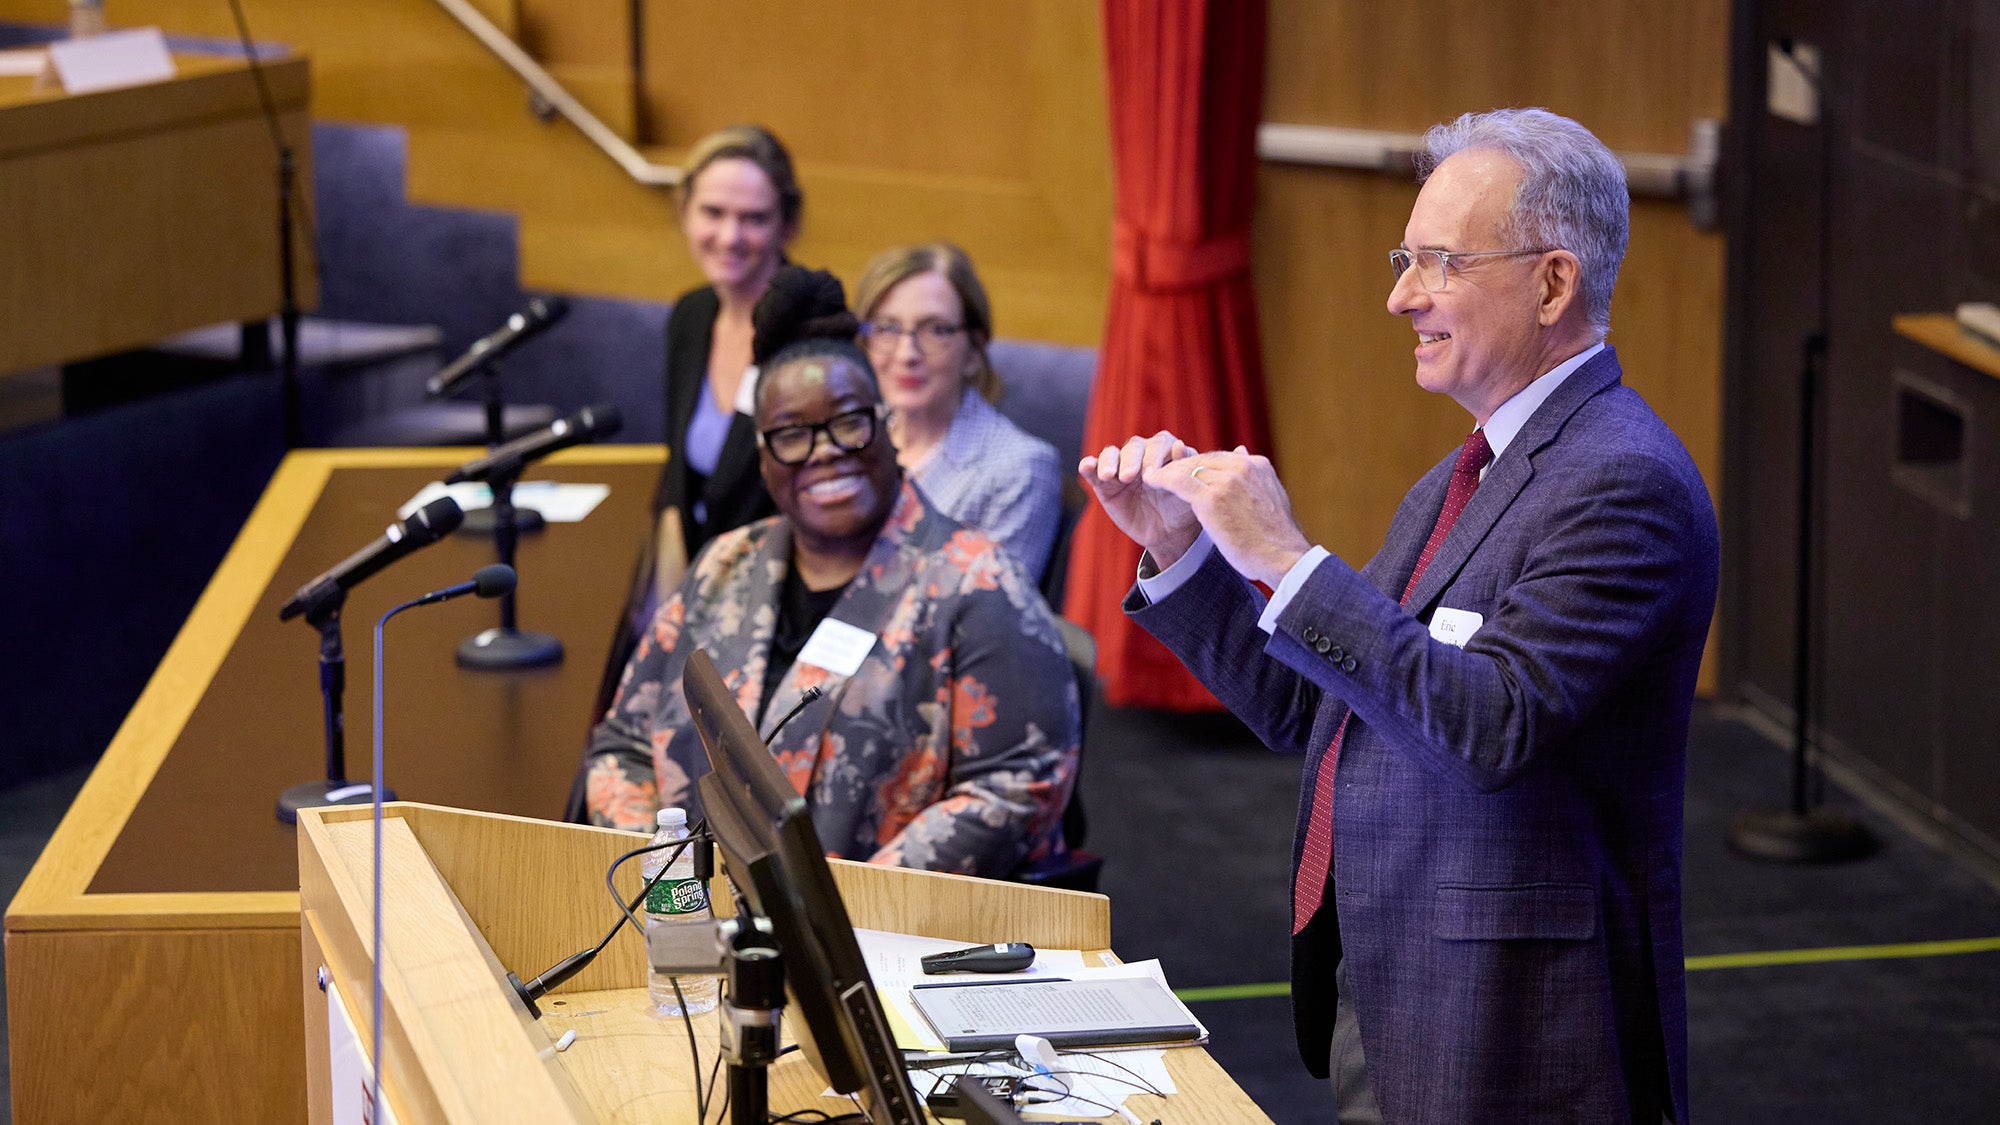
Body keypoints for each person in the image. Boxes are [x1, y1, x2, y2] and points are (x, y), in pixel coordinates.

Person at [1084, 109, 1716, 1123]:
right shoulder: (1460, 474)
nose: (1399, 297)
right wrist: (1179, 549)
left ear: (1552, 282)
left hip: (1514, 1026)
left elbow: (1491, 725)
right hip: (1390, 978)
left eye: (1438, 264)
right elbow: (1315, 705)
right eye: (1401, 259)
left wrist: (1285, 557)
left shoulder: (1622, 483)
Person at [584, 316, 1080, 878]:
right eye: (792, 434)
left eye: (848, 423)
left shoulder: (978, 583)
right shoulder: (724, 564)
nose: (824, 452)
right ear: (764, 459)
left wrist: (840, 906)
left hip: (882, 937)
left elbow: (1015, 785)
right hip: (693, 923)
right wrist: (666, 883)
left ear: (885, 427)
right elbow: (622, 746)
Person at [853, 243, 1063, 583]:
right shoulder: (850, 436)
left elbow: (992, 622)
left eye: (936, 330)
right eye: (888, 329)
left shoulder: (1020, 471)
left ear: (973, 351)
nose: (907, 354)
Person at [655, 125, 802, 578]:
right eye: (712, 212)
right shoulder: (691, 314)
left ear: (787, 225)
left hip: (776, 583)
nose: (729, 235)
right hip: (698, 581)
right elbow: (677, 482)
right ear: (685, 213)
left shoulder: (807, 330)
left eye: (754, 218)